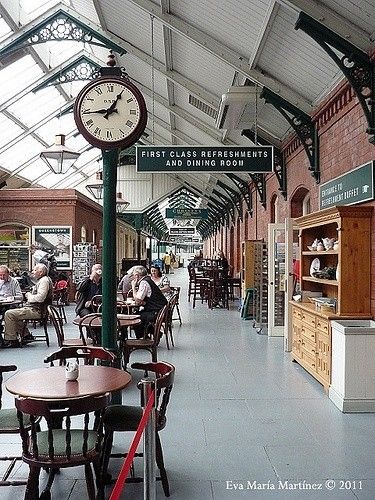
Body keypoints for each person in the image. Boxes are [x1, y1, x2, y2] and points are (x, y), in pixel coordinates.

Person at [2, 263, 53, 348]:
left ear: (40, 272)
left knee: (9, 314)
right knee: (14, 313)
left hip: (37, 310)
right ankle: (26, 335)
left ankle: (11, 340)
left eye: (34, 270)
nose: (33, 272)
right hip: (36, 309)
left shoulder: (44, 281)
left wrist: (29, 296)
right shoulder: (44, 280)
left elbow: (40, 298)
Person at [130, 265, 167, 339]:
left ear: (137, 276)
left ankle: (143, 338)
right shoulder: (148, 279)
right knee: (139, 314)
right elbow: (145, 299)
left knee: (135, 317)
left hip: (156, 311)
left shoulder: (144, 282)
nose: (133, 277)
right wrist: (143, 302)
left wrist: (133, 287)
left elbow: (137, 300)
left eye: (133, 275)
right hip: (160, 308)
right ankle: (151, 333)